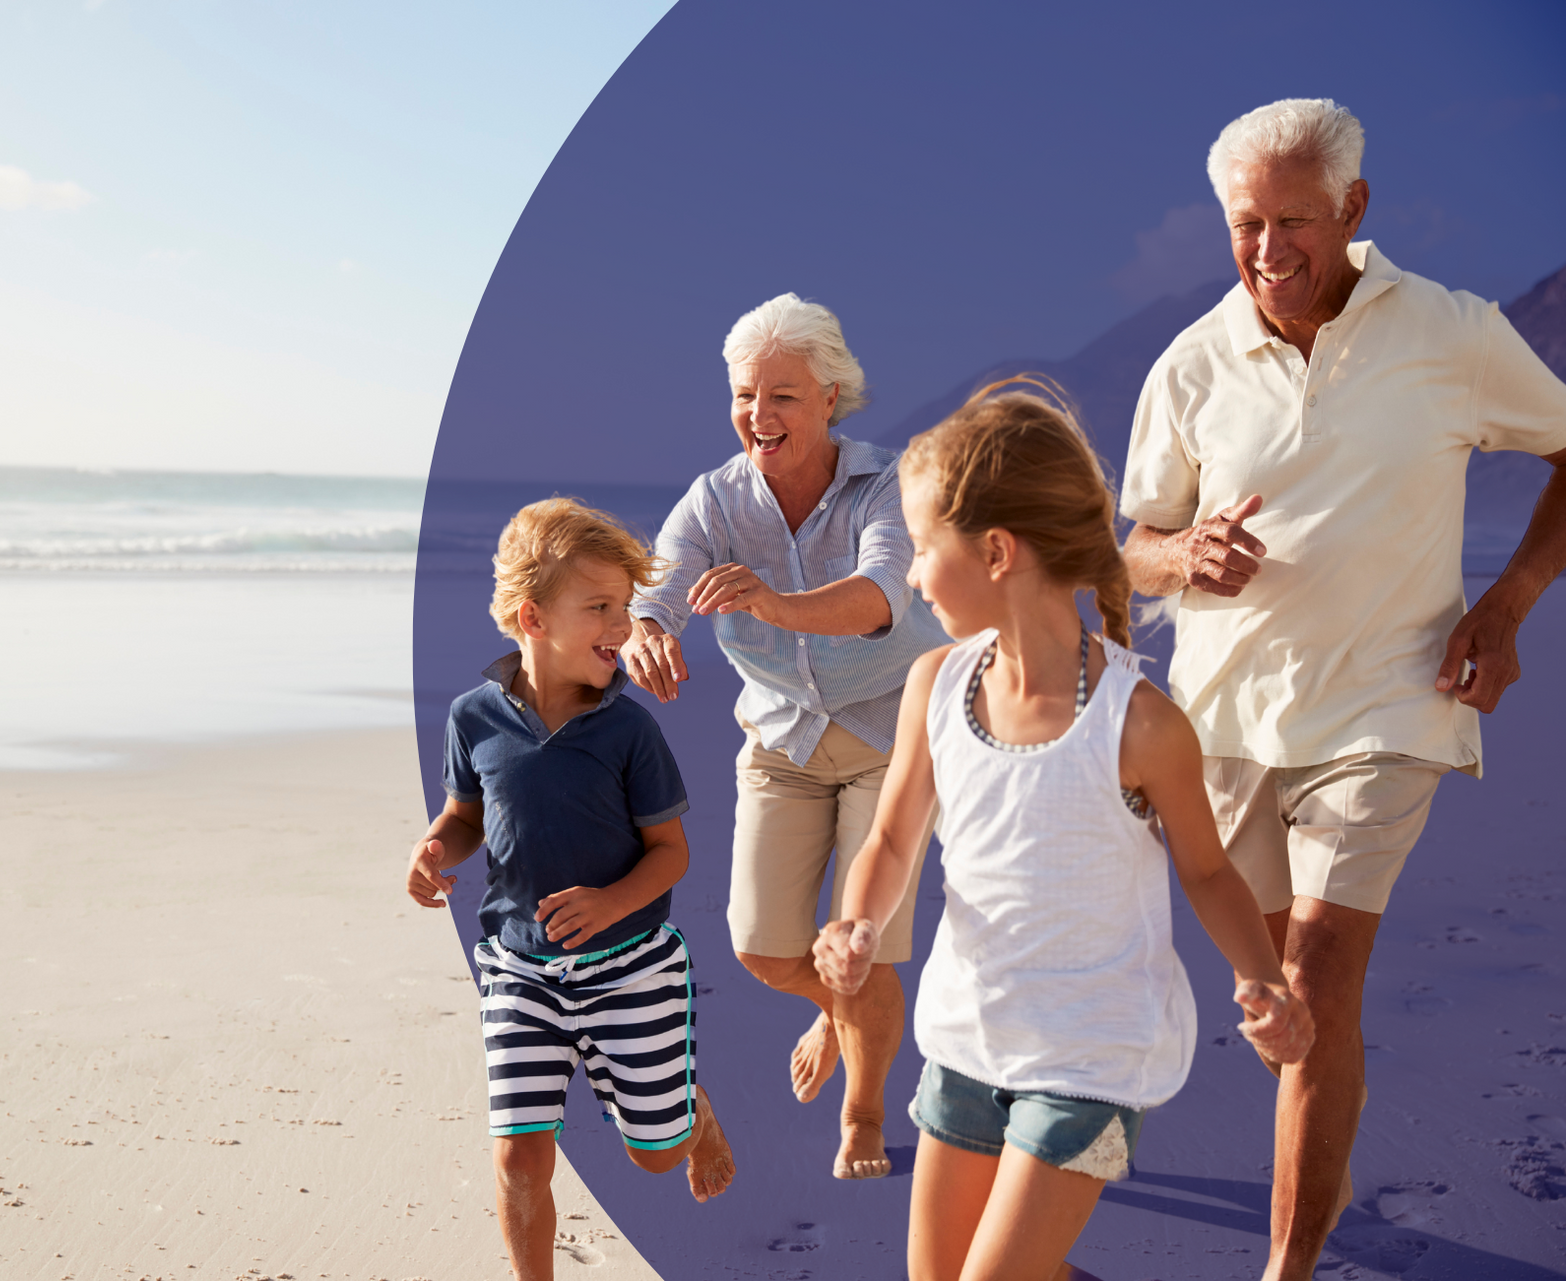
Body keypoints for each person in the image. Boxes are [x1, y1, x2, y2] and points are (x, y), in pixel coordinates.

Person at [1120, 98, 1566, 1279]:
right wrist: (1181, 558)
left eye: (1292, 224)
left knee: (1316, 989)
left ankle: (1289, 1264)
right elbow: (1131, 542)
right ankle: (1329, 1134)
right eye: (1246, 225)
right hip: (1223, 727)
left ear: (1355, 210)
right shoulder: (1192, 363)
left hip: (1389, 704)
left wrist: (1509, 602)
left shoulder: (1453, 335)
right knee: (1281, 1019)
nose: (1268, 252)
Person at [813, 381, 1315, 1281]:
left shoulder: (1141, 725)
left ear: (997, 550)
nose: (914, 574)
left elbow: (1206, 873)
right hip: (968, 1036)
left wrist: (1264, 979)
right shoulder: (936, 684)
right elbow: (891, 842)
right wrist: (857, 922)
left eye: (925, 548)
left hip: (1092, 1054)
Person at [621, 293, 950, 1179]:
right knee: (765, 946)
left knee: (859, 943)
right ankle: (837, 1007)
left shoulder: (885, 483)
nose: (758, 417)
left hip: (894, 739)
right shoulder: (715, 500)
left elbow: (884, 593)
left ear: (831, 396)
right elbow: (654, 590)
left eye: (783, 397)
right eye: (744, 396)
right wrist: (645, 631)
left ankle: (865, 1114)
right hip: (782, 745)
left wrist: (771, 602)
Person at [404, 497, 736, 1281]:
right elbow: (464, 816)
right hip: (519, 970)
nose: (622, 626)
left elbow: (670, 852)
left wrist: (613, 902)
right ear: (533, 616)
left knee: (655, 1155)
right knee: (520, 1154)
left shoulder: (628, 731)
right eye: (601, 608)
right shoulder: (472, 718)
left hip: (633, 966)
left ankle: (693, 1110)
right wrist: (432, 846)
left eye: (625, 606)